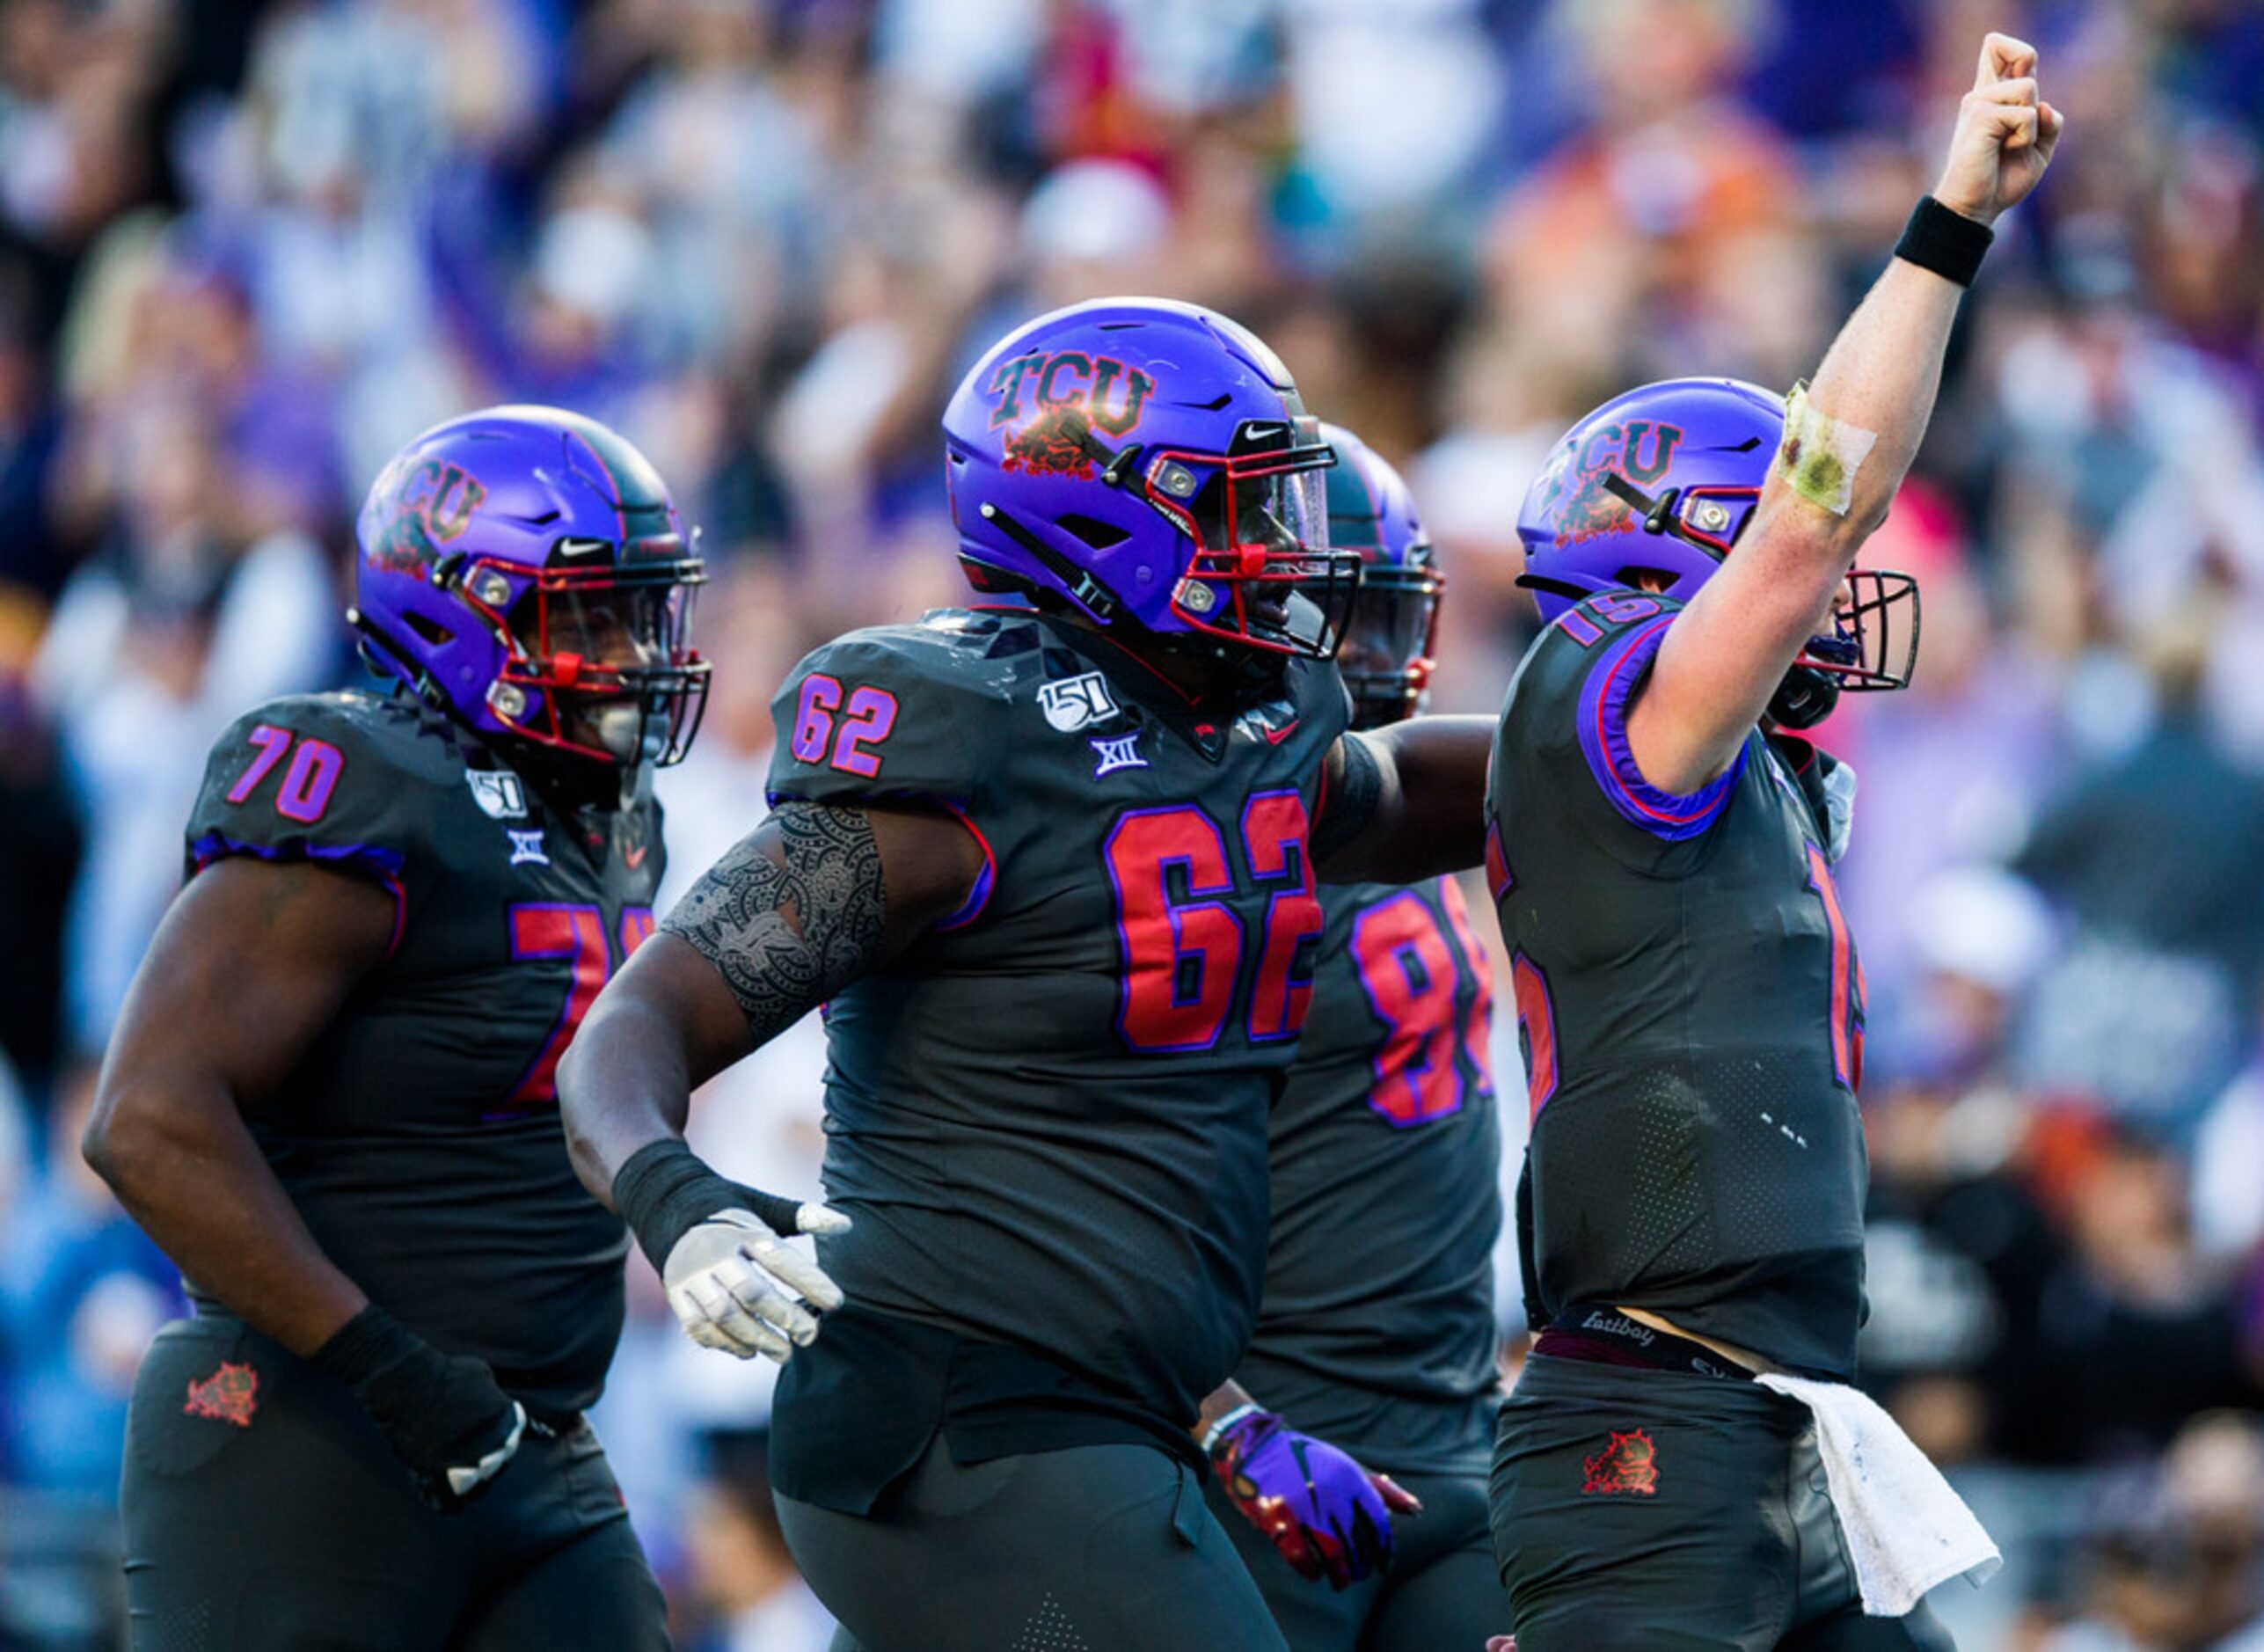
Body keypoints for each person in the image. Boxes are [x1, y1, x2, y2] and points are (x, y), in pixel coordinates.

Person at [557, 297, 1496, 1652]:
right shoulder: (960, 744)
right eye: (1236, 509)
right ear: (1099, 521)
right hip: (943, 1420)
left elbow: (1405, 785)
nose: (1278, 555)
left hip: (1123, 1412)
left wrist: (1636, 741)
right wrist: (680, 1203)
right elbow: (637, 1020)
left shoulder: (1239, 726)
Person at [1484, 36, 2060, 1652]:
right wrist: (1949, 221)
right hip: (1647, 1437)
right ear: (1689, 562)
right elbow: (1816, 509)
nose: (1835, 575)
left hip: (1782, 1415)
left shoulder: (1753, 770)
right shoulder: (1597, 701)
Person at [82, 406, 708, 1649]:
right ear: (457, 610)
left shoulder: (614, 823)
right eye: (587, 614)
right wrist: (393, 1371)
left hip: (534, 1442)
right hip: (310, 1438)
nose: (633, 652)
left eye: (643, 611)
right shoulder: (364, 778)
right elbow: (146, 1121)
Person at [1200, 425, 1508, 1648]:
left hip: (1451, 1437)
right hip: (1277, 1458)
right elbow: (1088, 1191)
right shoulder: (1186, 854)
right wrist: (1216, 1415)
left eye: (1387, 617)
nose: (1374, 663)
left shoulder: (1402, 797)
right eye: (1333, 620)